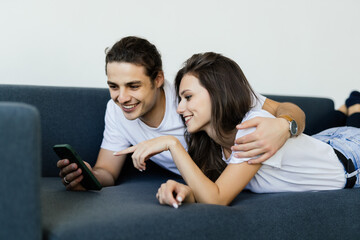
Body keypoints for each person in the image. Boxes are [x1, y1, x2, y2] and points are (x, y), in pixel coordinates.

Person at [115, 52, 360, 208]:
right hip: (326, 142)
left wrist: (171, 143)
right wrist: (183, 192)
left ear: (217, 93)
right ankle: (348, 107)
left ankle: (354, 103)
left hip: (352, 156)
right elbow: (212, 187)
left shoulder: (251, 127)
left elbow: (216, 199)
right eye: (180, 99)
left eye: (188, 97)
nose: (180, 109)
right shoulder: (211, 142)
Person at [57, 37, 306, 191]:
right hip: (214, 184)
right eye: (113, 87)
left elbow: (287, 109)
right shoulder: (115, 111)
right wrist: (85, 176)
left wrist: (285, 126)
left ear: (158, 79)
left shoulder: (193, 95)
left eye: (133, 86)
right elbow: (107, 172)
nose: (122, 98)